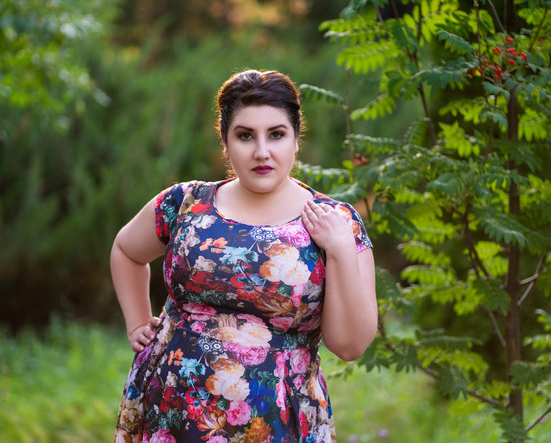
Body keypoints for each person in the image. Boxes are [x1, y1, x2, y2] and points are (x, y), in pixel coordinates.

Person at [111, 69, 377, 442]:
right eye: (245, 135)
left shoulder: (335, 222)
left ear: (297, 140)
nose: (262, 151)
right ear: (225, 140)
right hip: (170, 410)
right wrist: (137, 323)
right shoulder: (186, 203)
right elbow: (126, 250)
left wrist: (341, 249)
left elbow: (351, 345)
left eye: (277, 134)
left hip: (275, 422)